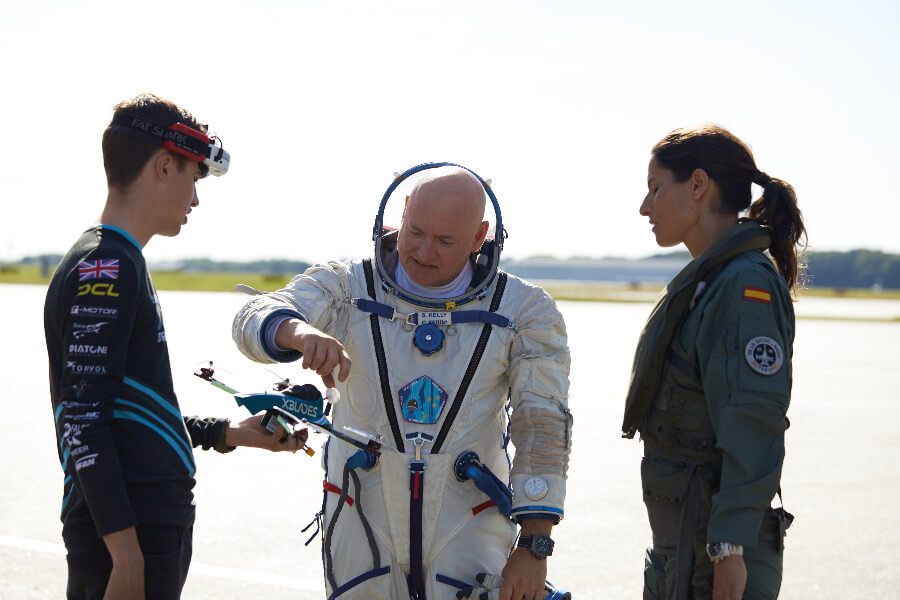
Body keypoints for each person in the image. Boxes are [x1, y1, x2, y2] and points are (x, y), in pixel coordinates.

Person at [232, 164, 573, 600]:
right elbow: (254, 316)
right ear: (403, 211)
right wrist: (300, 333)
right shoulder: (347, 287)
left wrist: (534, 544)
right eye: (415, 231)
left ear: (479, 237)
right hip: (362, 518)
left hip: (468, 523)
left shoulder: (524, 311)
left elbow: (541, 424)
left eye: (446, 241)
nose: (424, 251)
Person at [44, 93, 306, 600]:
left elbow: (120, 414)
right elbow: (83, 419)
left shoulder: (115, 260)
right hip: (130, 534)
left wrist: (229, 432)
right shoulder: (109, 267)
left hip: (138, 528)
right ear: (164, 166)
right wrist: (125, 555)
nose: (195, 199)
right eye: (194, 177)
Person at [623, 124, 805, 600]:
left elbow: (752, 421)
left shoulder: (744, 286)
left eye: (656, 188)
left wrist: (729, 550)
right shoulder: (712, 279)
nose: (646, 207)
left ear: (698, 185)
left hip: (717, 560)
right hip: (687, 550)